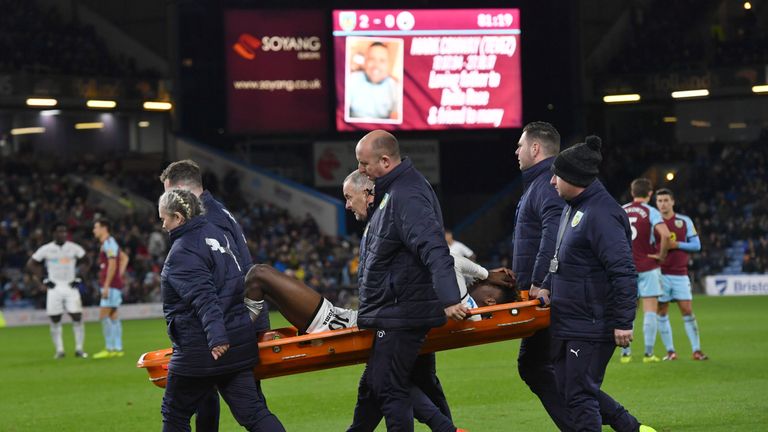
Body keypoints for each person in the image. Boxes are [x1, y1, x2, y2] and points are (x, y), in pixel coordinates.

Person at [348, 130, 467, 431]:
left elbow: (432, 246)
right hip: (397, 308)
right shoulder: (393, 193)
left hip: (402, 311)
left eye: (363, 164)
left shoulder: (406, 194)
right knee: (396, 383)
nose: (360, 170)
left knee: (387, 385)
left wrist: (450, 297)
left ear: (385, 161)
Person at [547, 135, 656, 432]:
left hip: (592, 323)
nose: (552, 182)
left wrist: (623, 321)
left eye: (558, 175)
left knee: (580, 394)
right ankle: (629, 427)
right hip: (571, 320)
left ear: (575, 177)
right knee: (571, 387)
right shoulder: (574, 206)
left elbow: (622, 271)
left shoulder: (602, 213)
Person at [158, 189, 284, 432]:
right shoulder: (218, 235)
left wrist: (217, 338)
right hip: (237, 342)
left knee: (174, 414)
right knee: (254, 413)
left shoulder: (183, 252)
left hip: (204, 347)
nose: (162, 225)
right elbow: (237, 284)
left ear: (179, 218)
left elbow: (204, 298)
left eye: (164, 218)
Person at [511, 121, 572, 430]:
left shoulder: (547, 183)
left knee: (538, 366)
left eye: (520, 145)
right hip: (542, 290)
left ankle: (618, 421)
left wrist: (540, 282)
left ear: (535, 148)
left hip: (546, 293)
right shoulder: (540, 183)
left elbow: (553, 235)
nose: (516, 151)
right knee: (544, 367)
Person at [619, 178, 672, 363]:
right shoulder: (651, 211)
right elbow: (665, 235)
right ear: (650, 194)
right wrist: (661, 255)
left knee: (627, 310)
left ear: (632, 192)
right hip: (648, 267)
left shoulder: (622, 210)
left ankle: (625, 354)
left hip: (624, 268)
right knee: (650, 310)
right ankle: (649, 354)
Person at [654, 188, 708, 361]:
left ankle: (696, 350)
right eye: (660, 201)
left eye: (666, 200)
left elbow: (696, 245)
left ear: (672, 202)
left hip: (680, 274)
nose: (663, 204)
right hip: (660, 274)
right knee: (661, 311)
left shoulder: (684, 221)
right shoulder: (653, 222)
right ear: (656, 203)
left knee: (687, 309)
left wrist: (676, 244)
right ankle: (670, 352)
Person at [27, 222, 89, 359]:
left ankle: (79, 349)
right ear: (53, 233)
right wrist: (43, 278)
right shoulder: (46, 249)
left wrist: (79, 277)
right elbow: (31, 264)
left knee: (77, 316)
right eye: (59, 231)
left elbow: (87, 260)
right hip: (54, 286)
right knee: (55, 318)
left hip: (70, 285)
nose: (62, 234)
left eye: (64, 231)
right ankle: (60, 350)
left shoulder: (73, 248)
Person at [92, 218, 127, 359]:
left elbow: (112, 264)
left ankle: (110, 347)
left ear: (104, 228)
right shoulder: (110, 243)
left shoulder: (108, 243)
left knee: (103, 316)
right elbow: (125, 258)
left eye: (96, 227)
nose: (94, 230)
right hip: (114, 284)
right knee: (113, 316)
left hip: (111, 286)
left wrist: (107, 284)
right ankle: (117, 349)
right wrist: (120, 275)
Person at [347, 41, 400, 121]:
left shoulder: (395, 87)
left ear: (388, 64)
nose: (376, 65)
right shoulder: (351, 79)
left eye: (382, 60)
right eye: (372, 59)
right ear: (365, 62)